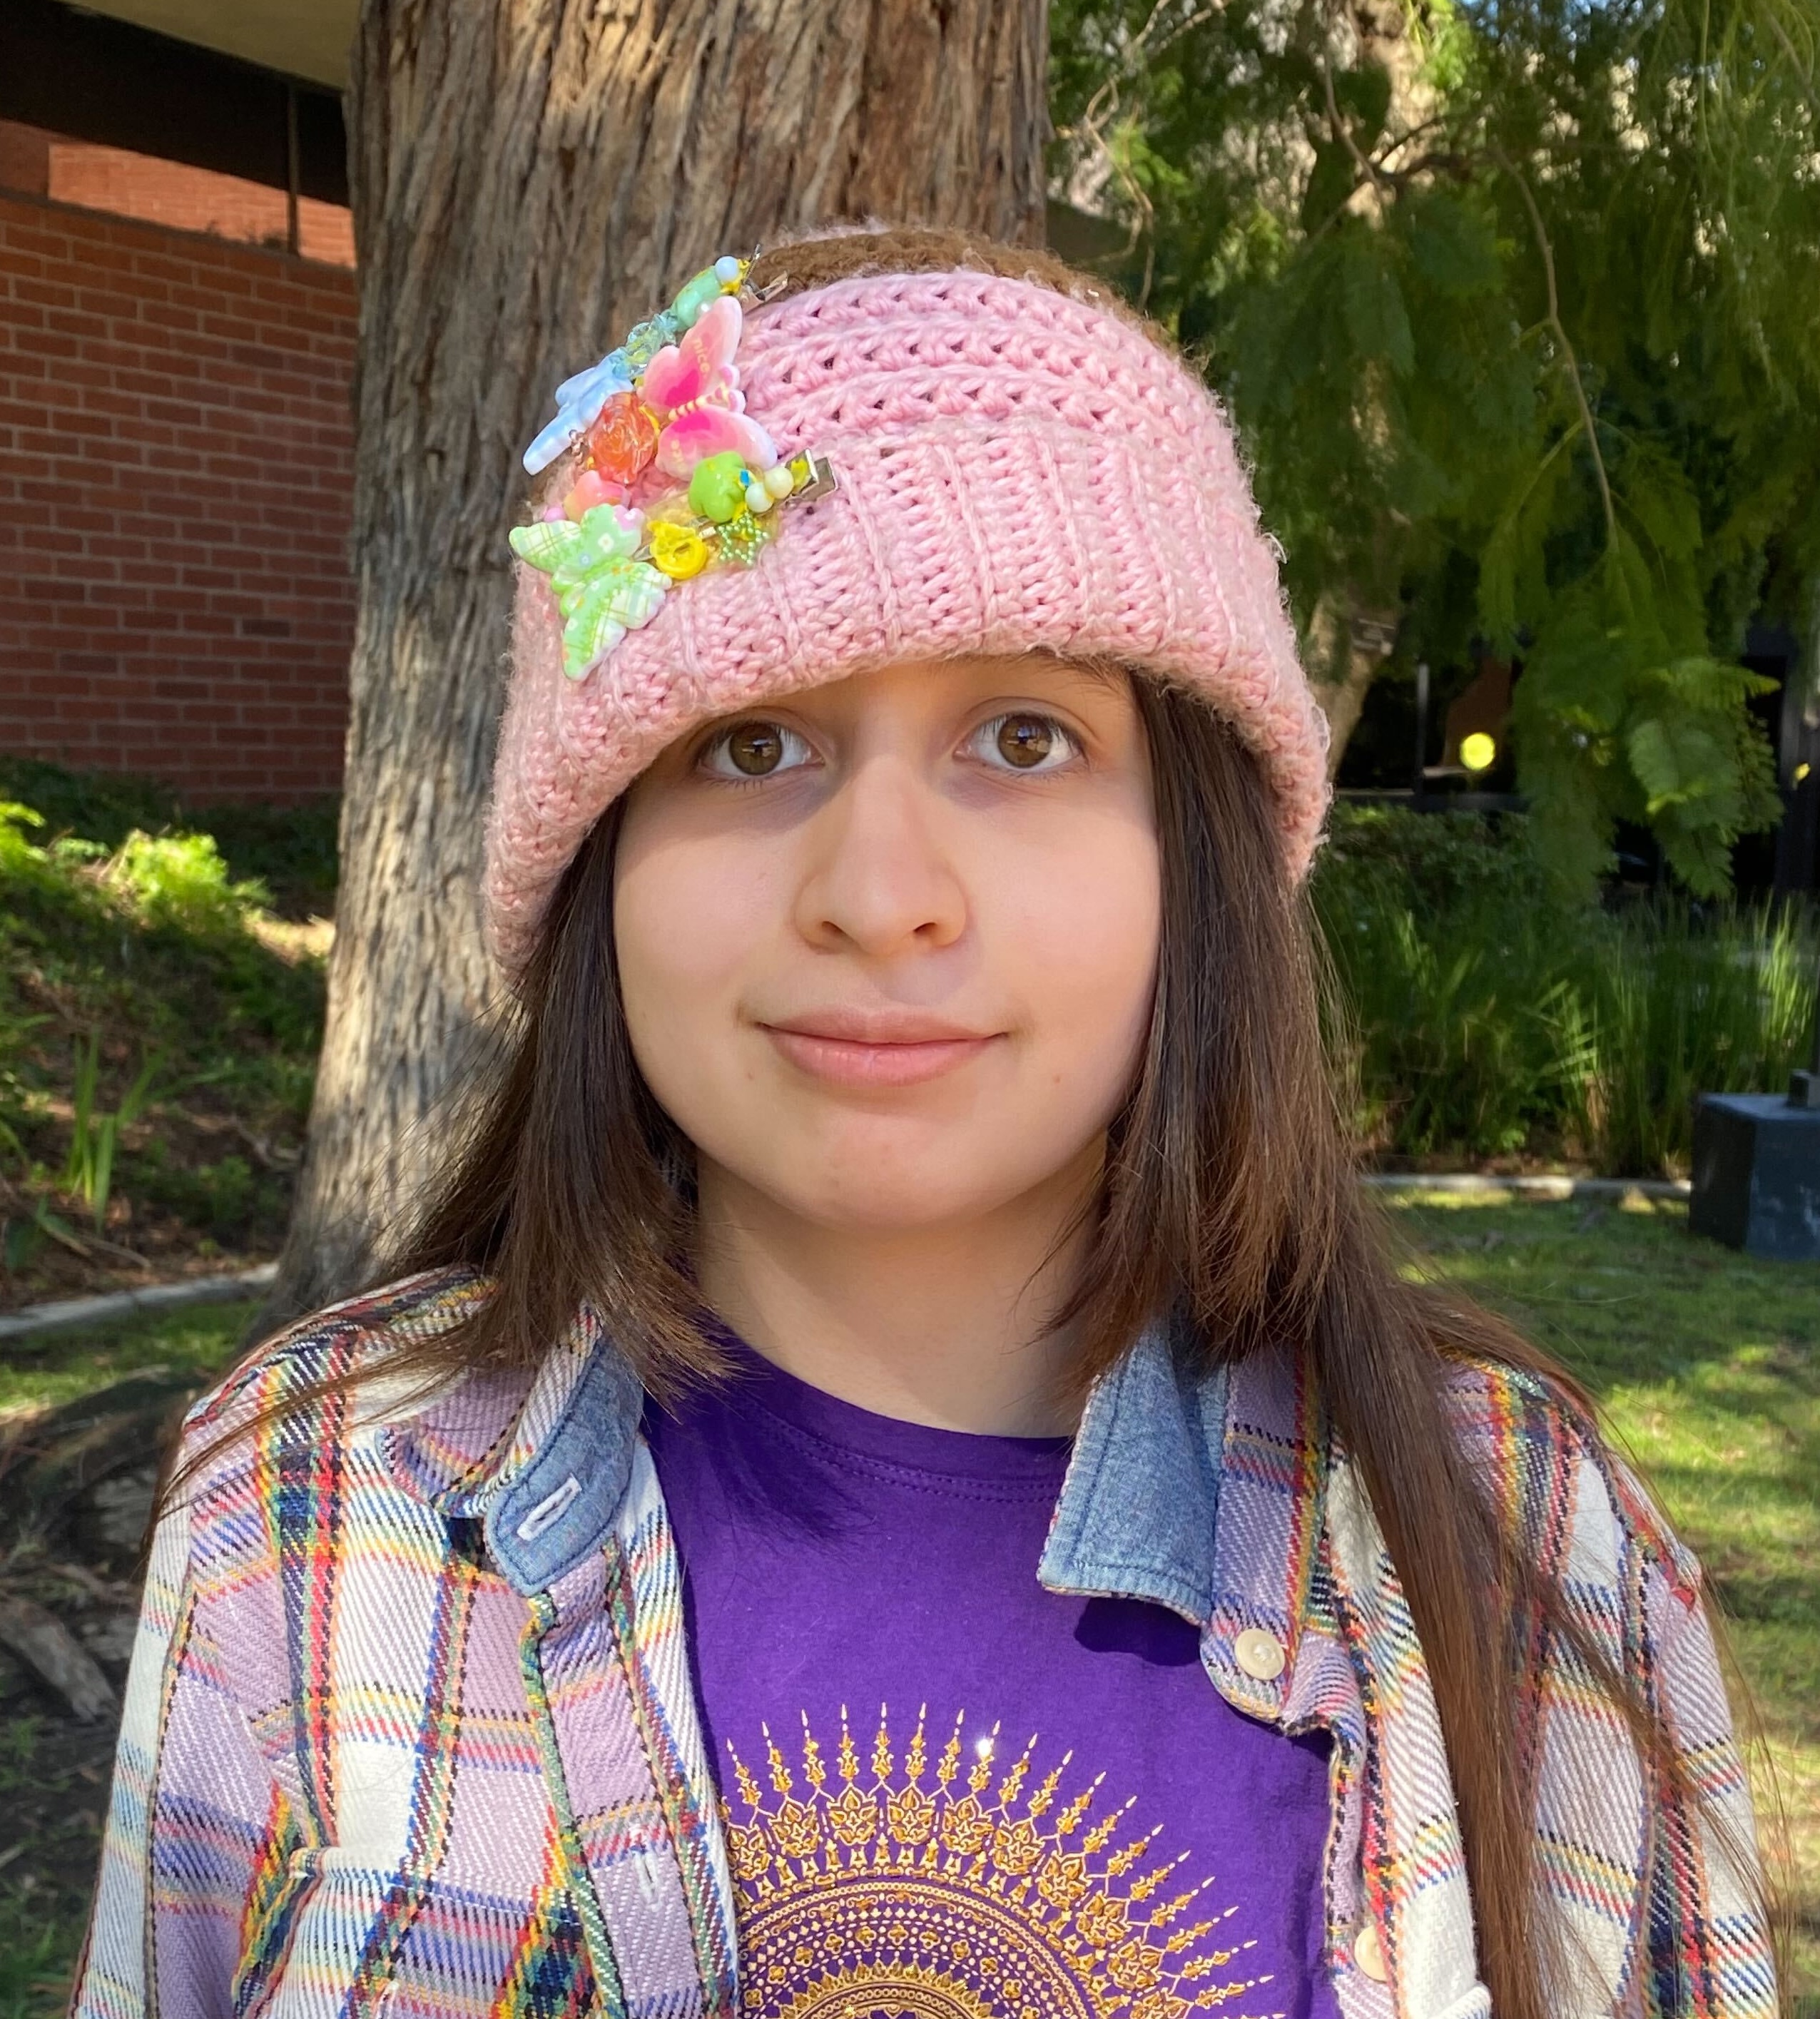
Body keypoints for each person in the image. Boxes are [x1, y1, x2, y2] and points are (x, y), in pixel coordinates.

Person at [73, 228, 1775, 2019]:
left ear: (1194, 859)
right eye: (748, 745)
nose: (879, 895)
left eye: (1024, 737)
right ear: (598, 863)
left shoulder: (1524, 1551)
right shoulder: (303, 1509)